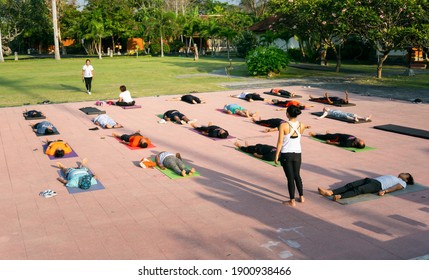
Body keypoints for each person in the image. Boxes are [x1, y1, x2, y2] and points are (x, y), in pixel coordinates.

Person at [275, 106, 310, 207]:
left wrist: (277, 155)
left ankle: (292, 201)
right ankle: (302, 196)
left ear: (287, 114)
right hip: (298, 153)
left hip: (287, 154)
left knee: (290, 178)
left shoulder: (283, 125)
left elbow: (280, 142)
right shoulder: (302, 125)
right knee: (297, 175)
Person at [318, 173, 414, 201]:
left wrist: (385, 191)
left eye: (406, 174)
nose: (403, 173)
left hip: (378, 185)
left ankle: (340, 196)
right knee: (350, 185)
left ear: (406, 179)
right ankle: (330, 192)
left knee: (359, 190)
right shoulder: (395, 177)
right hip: (372, 180)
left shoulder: (403, 183)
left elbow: (396, 187)